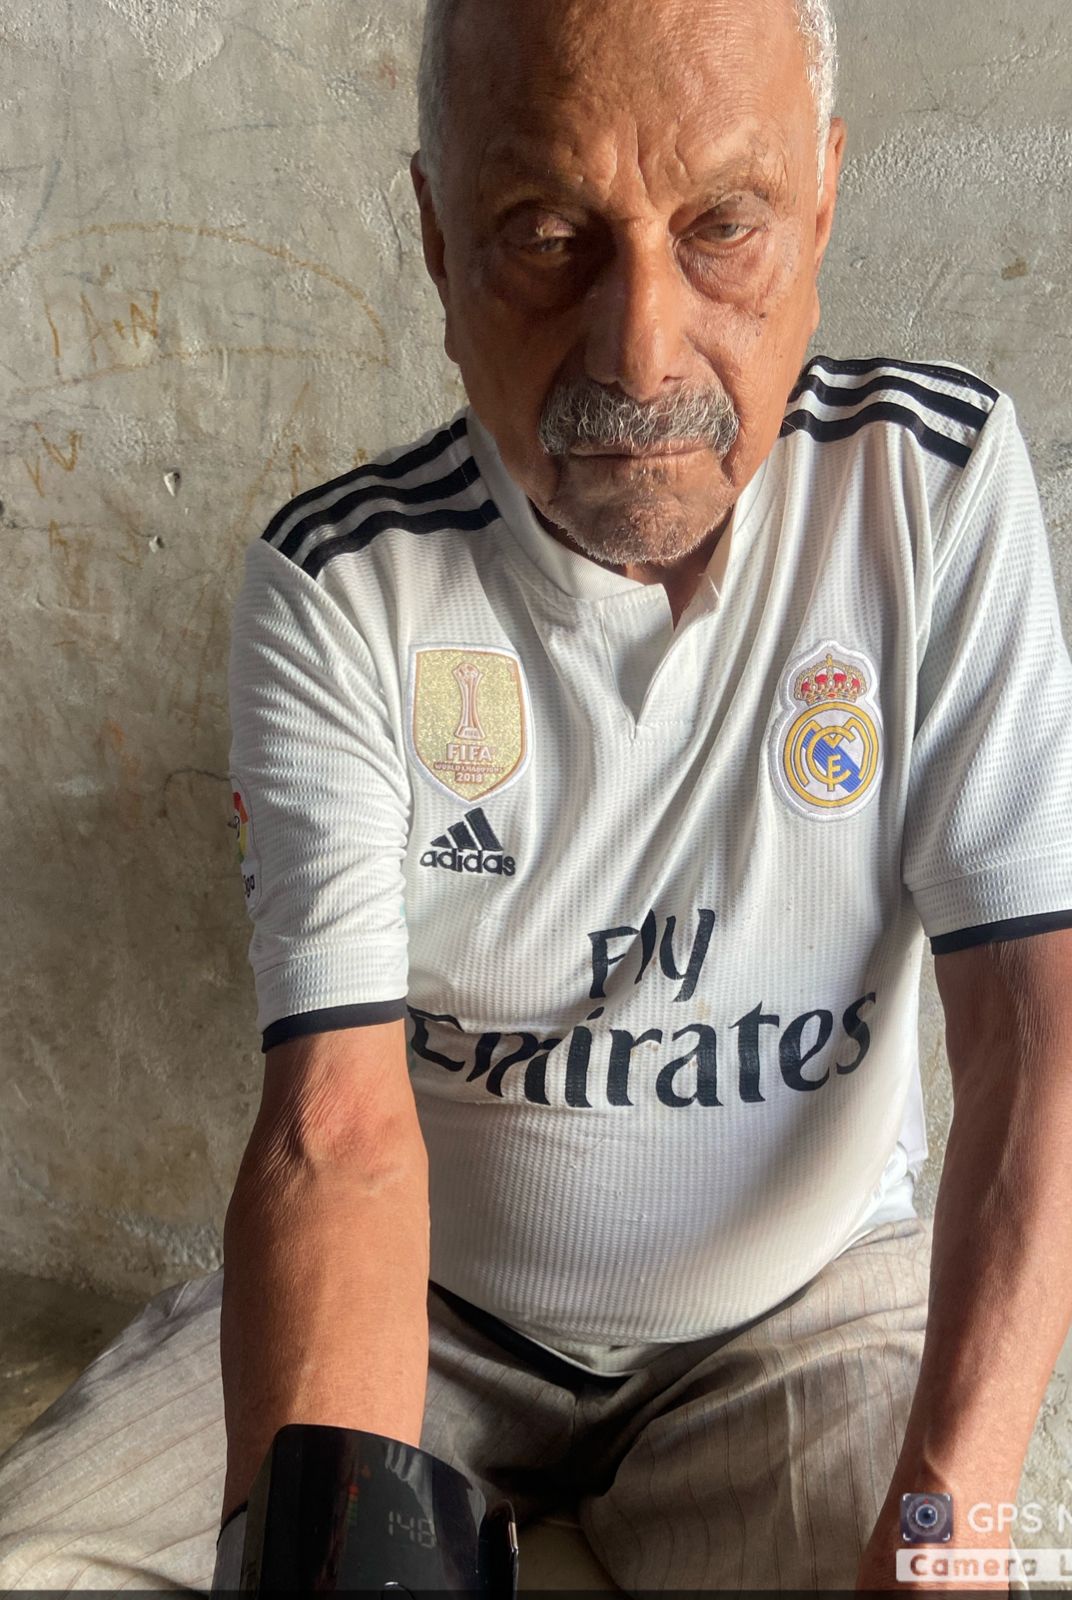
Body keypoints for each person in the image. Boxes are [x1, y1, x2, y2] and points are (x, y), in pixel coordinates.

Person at [2, 0, 1071, 1592]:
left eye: (722, 227)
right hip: (429, 1306)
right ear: (439, 239)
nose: (641, 350)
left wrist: (943, 1530)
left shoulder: (930, 490)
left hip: (803, 1314)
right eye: (549, 235)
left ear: (824, 198)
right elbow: (338, 1135)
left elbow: (1037, 1045)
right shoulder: (343, 586)